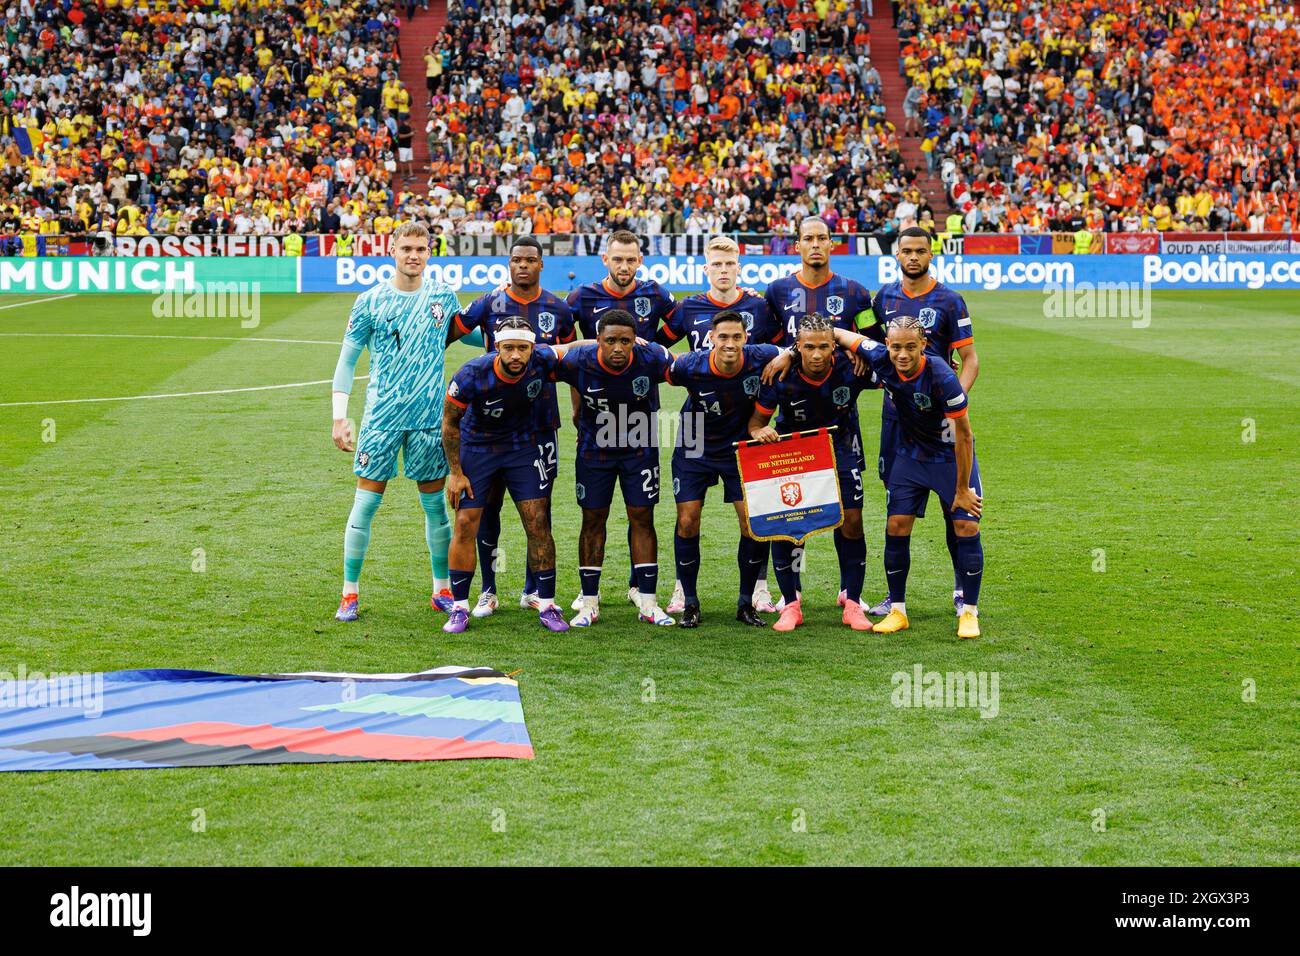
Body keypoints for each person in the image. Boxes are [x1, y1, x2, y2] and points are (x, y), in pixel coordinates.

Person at [330, 221, 465, 622]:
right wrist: (340, 417)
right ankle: (349, 592)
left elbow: (476, 337)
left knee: (436, 509)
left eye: (421, 249)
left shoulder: (443, 297)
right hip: (382, 419)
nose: (414, 255)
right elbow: (347, 361)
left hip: (429, 421)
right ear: (392, 250)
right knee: (366, 505)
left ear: (429, 252)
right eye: (407, 248)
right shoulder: (370, 301)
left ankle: (441, 588)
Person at [833, 322, 984, 639]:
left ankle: (969, 612)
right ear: (886, 343)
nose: (902, 354)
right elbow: (840, 333)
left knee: (966, 525)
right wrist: (790, 354)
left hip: (949, 457)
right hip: (910, 457)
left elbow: (965, 436)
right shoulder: (880, 356)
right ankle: (898, 610)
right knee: (896, 526)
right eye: (896, 347)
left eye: (910, 347)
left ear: (923, 345)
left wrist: (961, 489)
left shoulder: (942, 377)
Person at [655, 234, 780, 614]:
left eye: (730, 264)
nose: (723, 271)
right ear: (705, 268)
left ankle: (757, 589)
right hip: (696, 428)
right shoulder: (688, 307)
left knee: (754, 519)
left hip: (745, 429)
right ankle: (682, 589)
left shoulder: (758, 307)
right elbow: (657, 344)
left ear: (739, 267)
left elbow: (783, 350)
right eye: (716, 265)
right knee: (688, 517)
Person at [454, 237, 576, 617]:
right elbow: (450, 331)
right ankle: (488, 590)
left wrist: (576, 409)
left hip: (539, 425)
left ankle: (533, 590)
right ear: (509, 264)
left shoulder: (559, 307)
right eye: (515, 260)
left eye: (530, 260)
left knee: (538, 508)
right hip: (489, 423)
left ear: (541, 265)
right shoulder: (490, 302)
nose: (522, 266)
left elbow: (570, 363)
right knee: (486, 507)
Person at [861, 226, 979, 618]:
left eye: (921, 251)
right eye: (907, 251)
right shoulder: (884, 298)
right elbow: (873, 346)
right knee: (898, 507)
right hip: (896, 421)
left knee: (954, 508)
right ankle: (894, 599)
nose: (913, 257)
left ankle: (963, 589)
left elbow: (971, 361)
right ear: (897, 255)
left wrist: (948, 406)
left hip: (940, 419)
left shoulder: (949, 300)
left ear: (932, 254)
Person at [441, 318, 585, 634]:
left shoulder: (542, 360)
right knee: (466, 522)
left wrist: (606, 341)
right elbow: (450, 423)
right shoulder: (471, 374)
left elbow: (573, 348)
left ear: (532, 347)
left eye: (523, 348)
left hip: (523, 447)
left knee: (537, 521)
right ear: (497, 347)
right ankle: (460, 607)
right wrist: (455, 473)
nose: (516, 355)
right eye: (509, 348)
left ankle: (546, 604)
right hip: (478, 447)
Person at [564, 229, 677, 611]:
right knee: (594, 513)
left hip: (641, 414)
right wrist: (577, 401)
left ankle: (639, 588)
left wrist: (654, 349)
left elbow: (677, 329)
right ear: (605, 260)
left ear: (640, 261)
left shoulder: (655, 294)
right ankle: (588, 592)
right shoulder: (582, 297)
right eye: (618, 259)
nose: (625, 266)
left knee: (640, 510)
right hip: (595, 415)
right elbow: (566, 350)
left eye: (631, 259)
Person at [748, 315, 878, 633]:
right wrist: (761, 431)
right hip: (794, 454)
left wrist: (856, 349)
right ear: (798, 346)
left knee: (852, 520)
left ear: (834, 345)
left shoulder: (853, 367)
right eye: (808, 347)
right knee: (790, 526)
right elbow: (755, 424)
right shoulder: (780, 373)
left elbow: (893, 365)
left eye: (823, 346)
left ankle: (852, 602)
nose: (817, 355)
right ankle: (791, 603)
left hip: (840, 449)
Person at [552, 309, 676, 627]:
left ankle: (648, 602)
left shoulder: (651, 359)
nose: (618, 348)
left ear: (636, 341)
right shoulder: (580, 361)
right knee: (593, 520)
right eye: (611, 341)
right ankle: (589, 603)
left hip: (640, 451)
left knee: (642, 518)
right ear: (598, 341)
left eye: (625, 341)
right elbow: (537, 359)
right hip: (595, 454)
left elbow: (693, 369)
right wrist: (571, 346)